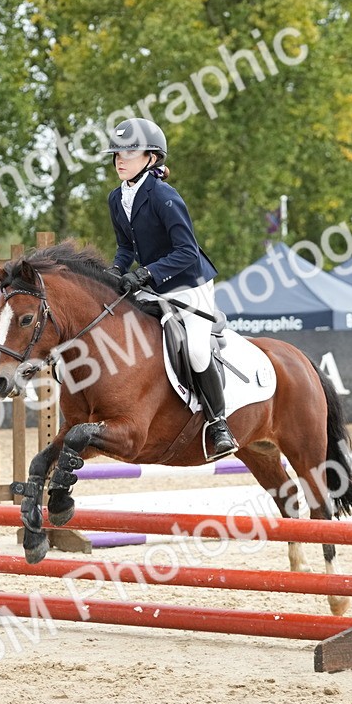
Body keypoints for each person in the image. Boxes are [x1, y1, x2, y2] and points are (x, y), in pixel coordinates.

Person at [103, 117, 237, 459]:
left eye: (129, 152)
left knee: (194, 349)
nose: (120, 159)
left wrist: (145, 274)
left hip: (189, 283)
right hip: (153, 284)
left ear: (151, 157)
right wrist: (115, 271)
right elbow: (126, 248)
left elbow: (186, 251)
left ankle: (219, 423)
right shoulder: (117, 199)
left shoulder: (164, 196)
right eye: (117, 153)